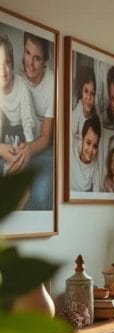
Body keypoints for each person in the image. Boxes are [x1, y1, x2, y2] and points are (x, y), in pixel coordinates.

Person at [17, 32, 55, 210]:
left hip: (42, 149)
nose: (30, 63)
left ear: (45, 62)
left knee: (41, 195)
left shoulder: (51, 84)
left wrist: (29, 150)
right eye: (27, 53)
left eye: (37, 58)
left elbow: (46, 137)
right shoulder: (15, 76)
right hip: (18, 145)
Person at [0, 35, 36, 175]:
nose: (3, 70)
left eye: (6, 63)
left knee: (19, 160)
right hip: (4, 134)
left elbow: (27, 121)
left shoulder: (21, 86)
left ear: (12, 64)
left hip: (21, 134)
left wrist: (29, 148)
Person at [70, 114, 101, 192]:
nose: (91, 150)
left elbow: (96, 194)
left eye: (95, 146)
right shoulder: (72, 147)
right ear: (82, 139)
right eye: (88, 143)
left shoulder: (95, 167)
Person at [71, 65, 97, 144]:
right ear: (80, 92)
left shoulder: (95, 117)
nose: (89, 97)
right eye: (86, 91)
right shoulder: (78, 110)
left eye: (92, 93)